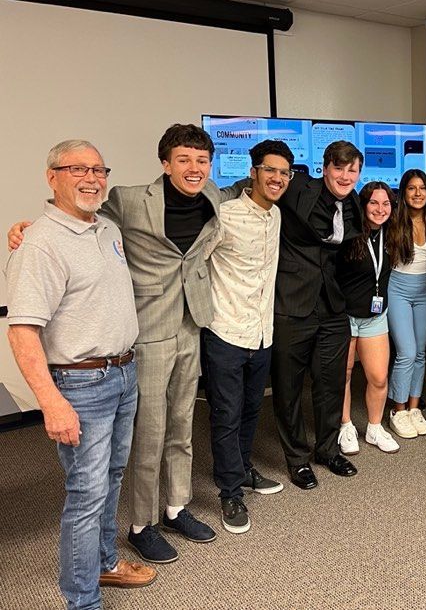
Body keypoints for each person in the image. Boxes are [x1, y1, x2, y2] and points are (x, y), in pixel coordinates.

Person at [8, 125, 246, 563]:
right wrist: (25, 227)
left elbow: (240, 189)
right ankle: (142, 524)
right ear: (165, 163)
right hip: (149, 328)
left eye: (201, 160)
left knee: (182, 424)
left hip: (192, 322)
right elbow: (79, 217)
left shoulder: (214, 194)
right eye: (184, 159)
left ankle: (176, 506)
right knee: (150, 432)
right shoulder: (129, 199)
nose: (194, 169)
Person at [5, 140, 156, 609]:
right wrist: (51, 401)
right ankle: (82, 599)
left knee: (111, 479)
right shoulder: (39, 243)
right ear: (52, 177)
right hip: (80, 385)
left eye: (98, 169)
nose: (91, 178)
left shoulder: (106, 227)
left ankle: (105, 564)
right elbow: (24, 331)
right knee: (86, 494)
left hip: (123, 374)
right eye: (78, 169)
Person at [200, 140, 291, 535]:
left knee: (253, 410)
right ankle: (229, 492)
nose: (277, 178)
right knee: (226, 414)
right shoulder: (223, 214)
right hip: (225, 331)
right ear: (253, 172)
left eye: (284, 173)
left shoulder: (276, 217)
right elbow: (192, 261)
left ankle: (243, 470)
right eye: (269, 170)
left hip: (262, 333)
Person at [269, 140, 364, 491]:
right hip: (292, 304)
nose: (345, 175)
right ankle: (296, 459)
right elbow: (261, 186)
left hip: (332, 307)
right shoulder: (297, 187)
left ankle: (327, 450)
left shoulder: (354, 201)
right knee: (288, 387)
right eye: (338, 168)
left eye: (352, 170)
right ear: (325, 168)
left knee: (331, 383)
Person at [336, 181, 400, 455]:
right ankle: (345, 425)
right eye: (374, 202)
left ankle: (374, 427)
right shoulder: (349, 234)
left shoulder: (393, 234)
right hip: (345, 316)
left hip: (375, 317)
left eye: (385, 203)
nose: (380, 209)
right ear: (363, 205)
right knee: (344, 374)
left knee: (378, 377)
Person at [386, 169, 426, 439]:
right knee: (406, 352)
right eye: (411, 188)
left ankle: (414, 407)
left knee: (420, 353)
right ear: (403, 192)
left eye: (422, 188)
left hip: (425, 291)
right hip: (398, 289)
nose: (417, 193)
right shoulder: (393, 221)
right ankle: (397, 410)